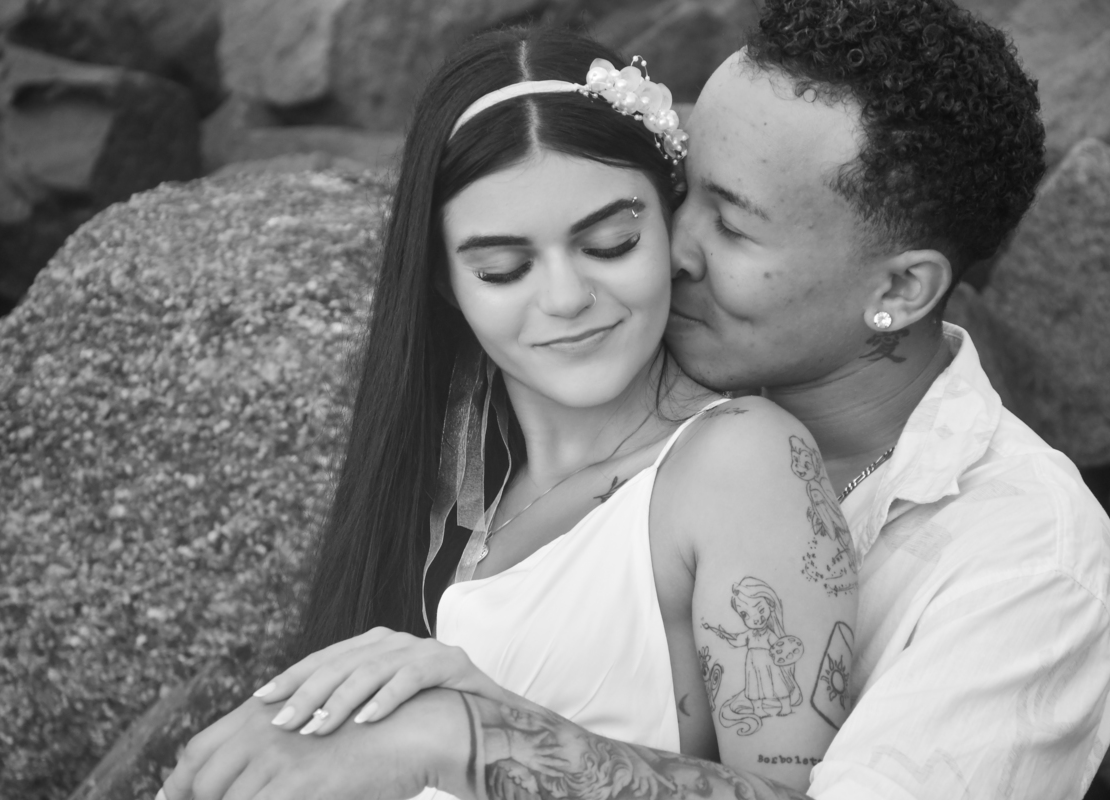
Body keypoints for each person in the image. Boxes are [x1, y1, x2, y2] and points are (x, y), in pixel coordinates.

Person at [160, 1, 1110, 799]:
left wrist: (472, 735)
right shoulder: (555, 392)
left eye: (731, 224)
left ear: (901, 289)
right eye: (679, 188)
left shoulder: (1027, 561)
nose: (675, 245)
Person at [159, 23, 856, 800]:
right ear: (445, 283)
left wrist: (474, 733)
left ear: (671, 226)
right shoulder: (449, 472)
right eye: (501, 268)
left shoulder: (739, 460)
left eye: (611, 243)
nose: (565, 298)